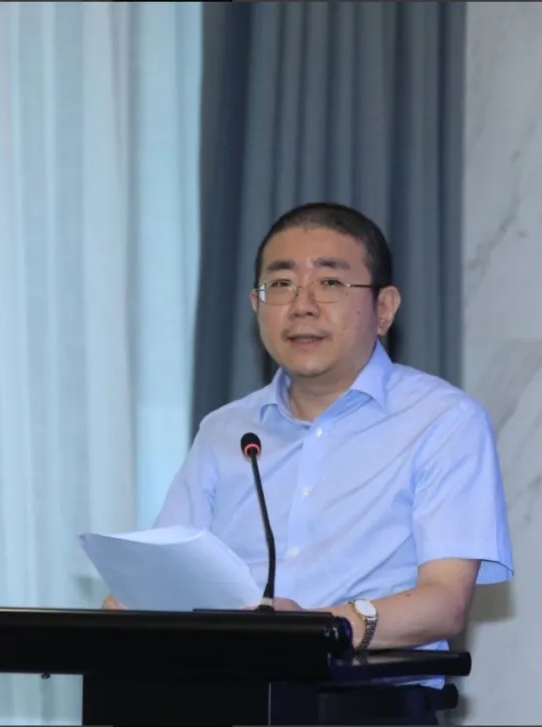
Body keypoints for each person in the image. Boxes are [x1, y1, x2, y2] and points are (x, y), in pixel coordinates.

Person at [103, 202, 513, 724]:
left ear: (384, 309)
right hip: (223, 705)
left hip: (366, 710)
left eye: (330, 283)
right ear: (256, 305)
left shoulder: (442, 422)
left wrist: (316, 628)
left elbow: (444, 603)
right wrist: (137, 600)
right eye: (280, 285)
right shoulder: (226, 430)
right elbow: (170, 569)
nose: (301, 305)